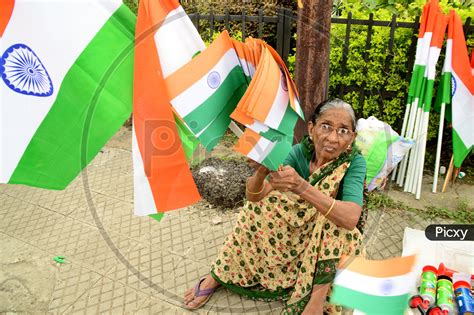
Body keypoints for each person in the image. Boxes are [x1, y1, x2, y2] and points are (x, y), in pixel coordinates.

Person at [184, 99, 366, 314]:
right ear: (311, 128)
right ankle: (220, 274)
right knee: (262, 204)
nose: (333, 138)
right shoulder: (299, 152)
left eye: (343, 131)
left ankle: (315, 303)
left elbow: (350, 218)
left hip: (331, 244)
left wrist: (300, 186)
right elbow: (254, 197)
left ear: (352, 137)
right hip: (299, 232)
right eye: (325, 126)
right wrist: (262, 171)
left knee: (333, 220)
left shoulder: (354, 162)